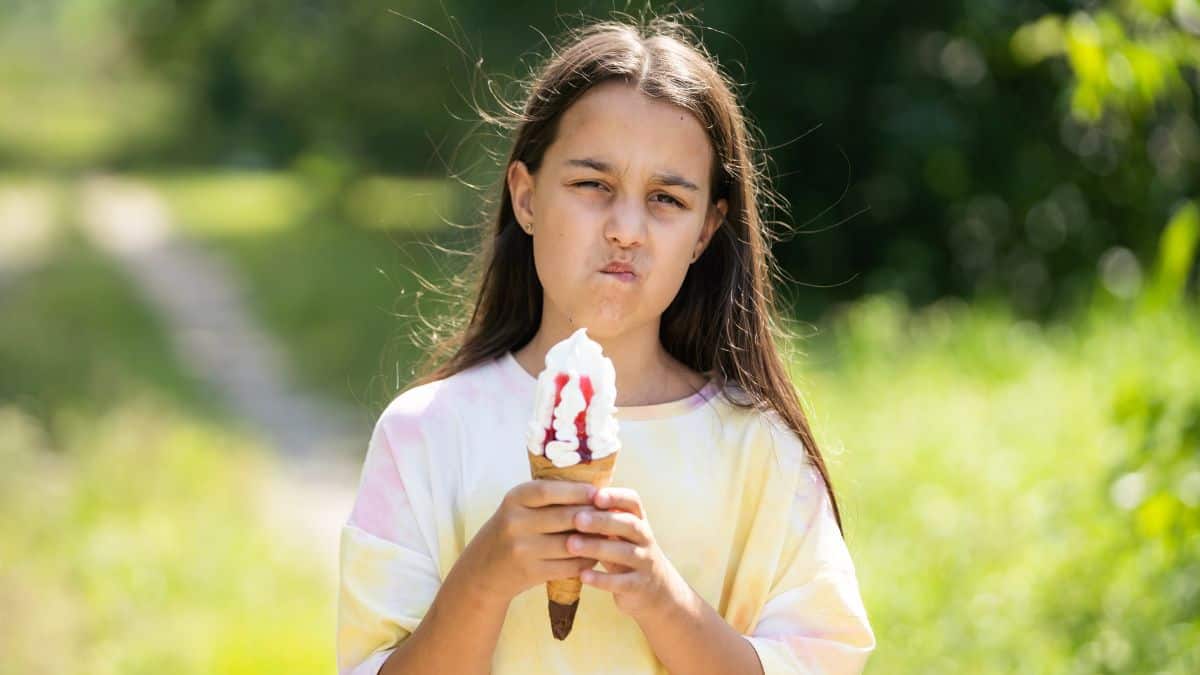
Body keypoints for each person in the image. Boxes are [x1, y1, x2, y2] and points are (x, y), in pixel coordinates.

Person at [337, 15, 875, 675]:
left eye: (666, 199)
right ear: (526, 197)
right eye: (594, 185)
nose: (626, 229)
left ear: (705, 232)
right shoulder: (425, 433)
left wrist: (664, 600)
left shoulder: (761, 452)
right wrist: (482, 580)